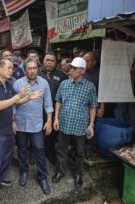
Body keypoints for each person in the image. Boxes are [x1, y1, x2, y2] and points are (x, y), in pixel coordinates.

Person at [0, 58, 42, 204]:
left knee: (6, 158)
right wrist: (18, 96)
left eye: (12, 68)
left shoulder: (8, 84)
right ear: (0, 68)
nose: (12, 70)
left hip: (7, 129)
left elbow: (15, 101)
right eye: (9, 68)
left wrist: (29, 97)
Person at [52, 57, 98, 188]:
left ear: (82, 71)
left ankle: (78, 174)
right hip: (64, 123)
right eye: (70, 67)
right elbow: (58, 101)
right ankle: (60, 171)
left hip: (80, 125)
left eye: (74, 68)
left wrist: (91, 124)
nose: (70, 70)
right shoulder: (64, 84)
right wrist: (56, 118)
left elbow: (93, 106)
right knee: (61, 150)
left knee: (79, 152)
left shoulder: (90, 87)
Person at [13, 57, 53, 195]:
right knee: (22, 150)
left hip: (36, 125)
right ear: (25, 70)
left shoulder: (44, 83)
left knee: (39, 151)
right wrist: (12, 121)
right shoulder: (18, 84)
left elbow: (48, 104)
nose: (32, 71)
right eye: (29, 68)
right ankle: (24, 171)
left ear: (38, 69)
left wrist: (49, 121)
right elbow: (13, 103)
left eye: (34, 68)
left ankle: (42, 177)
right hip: (21, 124)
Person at [38, 52, 68, 164]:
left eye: (52, 61)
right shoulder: (36, 72)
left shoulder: (62, 76)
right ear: (43, 61)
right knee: (37, 134)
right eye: (47, 60)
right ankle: (35, 153)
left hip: (54, 112)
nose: (50, 62)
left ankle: (50, 153)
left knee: (51, 135)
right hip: (38, 111)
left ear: (56, 63)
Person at [83, 51, 104, 118]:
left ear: (94, 62)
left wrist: (102, 108)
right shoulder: (79, 70)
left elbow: (102, 91)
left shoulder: (100, 73)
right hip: (81, 105)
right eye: (83, 60)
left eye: (87, 61)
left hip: (93, 106)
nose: (85, 63)